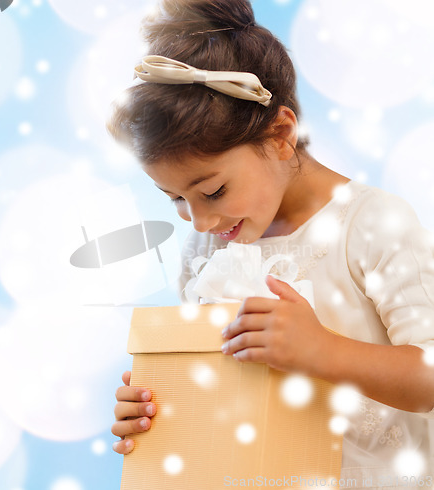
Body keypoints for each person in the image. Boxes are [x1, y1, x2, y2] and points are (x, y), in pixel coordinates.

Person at [109, 0, 434, 486]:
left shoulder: (371, 224)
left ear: (281, 134)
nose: (198, 221)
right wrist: (158, 405)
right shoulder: (209, 249)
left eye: (213, 191)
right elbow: (219, 385)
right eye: (175, 198)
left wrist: (322, 350)